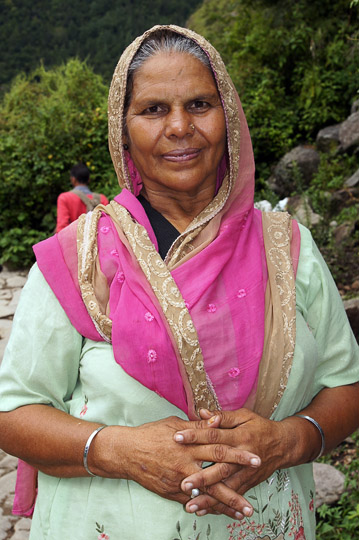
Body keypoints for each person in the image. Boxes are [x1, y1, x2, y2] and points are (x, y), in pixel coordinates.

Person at [0, 25, 358, 540]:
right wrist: (119, 450)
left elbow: (346, 384)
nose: (179, 127)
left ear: (229, 117)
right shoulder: (78, 260)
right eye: (152, 110)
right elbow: (14, 413)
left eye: (199, 104)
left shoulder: (288, 248)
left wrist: (290, 441)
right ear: (122, 131)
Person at [56, 162, 109, 232]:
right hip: (100, 242)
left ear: (73, 179)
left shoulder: (64, 198)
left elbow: (61, 229)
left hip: (75, 241)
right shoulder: (102, 198)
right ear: (88, 179)